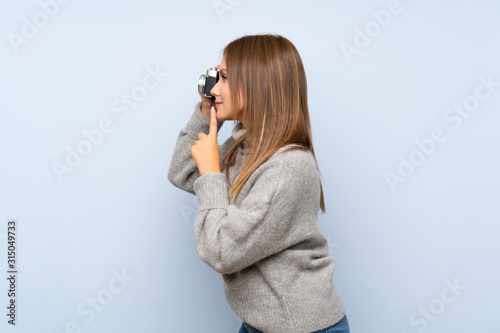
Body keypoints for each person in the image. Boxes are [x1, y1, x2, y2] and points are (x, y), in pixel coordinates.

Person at [167, 34, 349, 333]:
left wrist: (212, 171)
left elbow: (221, 251)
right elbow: (183, 173)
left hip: (298, 326)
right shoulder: (247, 145)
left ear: (256, 86)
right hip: (261, 322)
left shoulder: (286, 167)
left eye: (223, 76)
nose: (213, 84)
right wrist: (205, 113)